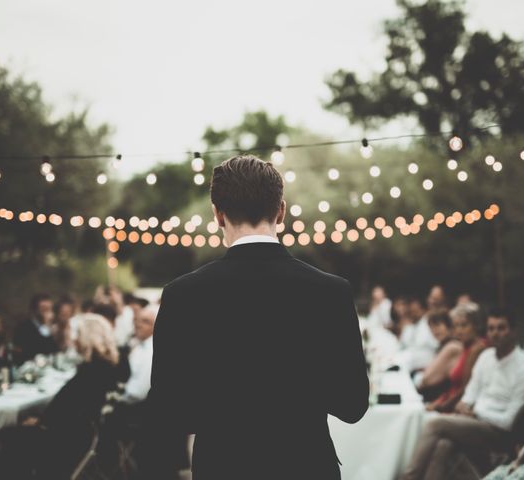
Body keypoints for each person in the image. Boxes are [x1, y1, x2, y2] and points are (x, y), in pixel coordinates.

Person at [145, 155, 369, 480]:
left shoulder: (183, 294)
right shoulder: (331, 291)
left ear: (218, 215)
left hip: (223, 467)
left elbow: (169, 411)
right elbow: (352, 405)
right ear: (281, 210)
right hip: (307, 466)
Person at [402, 307, 524, 480]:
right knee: (444, 444)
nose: (495, 333)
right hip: (474, 421)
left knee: (434, 424)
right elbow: (470, 394)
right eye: (491, 328)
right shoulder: (487, 356)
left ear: (513, 331)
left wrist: (475, 411)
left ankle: (407, 478)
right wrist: (466, 406)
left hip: (499, 432)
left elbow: (508, 422)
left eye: (501, 328)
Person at [0, 314, 120, 479]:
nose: (73, 340)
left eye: (76, 335)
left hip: (65, 440)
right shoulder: (103, 367)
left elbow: (67, 409)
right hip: (79, 435)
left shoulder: (91, 371)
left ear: (85, 338)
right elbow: (71, 406)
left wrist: (41, 422)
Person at [426, 302, 487, 412]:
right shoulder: (464, 346)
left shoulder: (477, 349)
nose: (458, 330)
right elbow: (451, 389)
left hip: (458, 408)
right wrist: (436, 403)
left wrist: (440, 407)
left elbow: (465, 390)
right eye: (455, 326)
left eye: (464, 325)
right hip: (449, 404)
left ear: (476, 326)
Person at [416, 309, 463, 400]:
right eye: (431, 328)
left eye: (437, 325)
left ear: (449, 326)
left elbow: (427, 379)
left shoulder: (452, 346)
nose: (434, 331)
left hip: (442, 400)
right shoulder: (443, 346)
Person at [121, 305, 156, 404]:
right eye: (136, 320)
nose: (138, 324)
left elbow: (138, 392)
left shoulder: (151, 350)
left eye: (146, 321)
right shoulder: (136, 343)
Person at [13, 293, 58, 364]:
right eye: (43, 309)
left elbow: (54, 351)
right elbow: (35, 350)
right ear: (35, 310)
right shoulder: (24, 327)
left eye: (49, 309)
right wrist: (46, 327)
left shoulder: (51, 326)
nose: (47, 312)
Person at [397, 297, 439, 372]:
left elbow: (437, 348)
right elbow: (402, 346)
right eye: (411, 311)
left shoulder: (430, 325)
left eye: (415, 311)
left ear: (423, 310)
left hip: (425, 369)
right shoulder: (410, 326)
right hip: (407, 366)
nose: (413, 314)